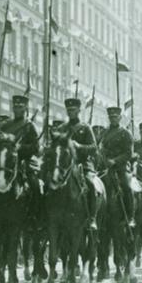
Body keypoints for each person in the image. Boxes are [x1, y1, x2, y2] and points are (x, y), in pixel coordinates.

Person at [51, 98, 99, 229]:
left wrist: (79, 146)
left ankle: (92, 218)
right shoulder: (62, 128)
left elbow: (94, 147)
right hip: (64, 164)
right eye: (68, 110)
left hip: (82, 164)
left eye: (73, 110)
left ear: (79, 110)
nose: (70, 112)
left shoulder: (85, 128)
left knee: (91, 184)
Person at [99, 106, 135, 228]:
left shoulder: (125, 133)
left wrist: (114, 161)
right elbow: (99, 147)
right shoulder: (104, 132)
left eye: (115, 117)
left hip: (120, 168)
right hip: (105, 167)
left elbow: (129, 153)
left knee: (127, 186)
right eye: (111, 117)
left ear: (120, 118)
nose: (113, 119)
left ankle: (130, 217)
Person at [0, 94, 40, 186]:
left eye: (20, 107)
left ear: (25, 108)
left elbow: (36, 147)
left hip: (24, 162)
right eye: (15, 107)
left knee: (34, 184)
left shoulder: (30, 126)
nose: (17, 110)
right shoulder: (6, 125)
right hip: (6, 161)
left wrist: (20, 147)